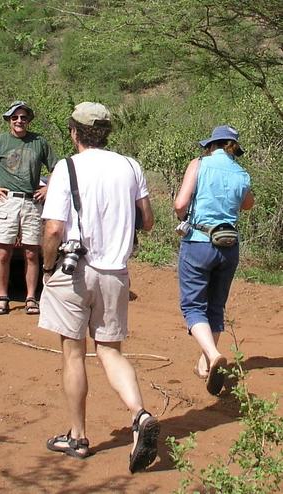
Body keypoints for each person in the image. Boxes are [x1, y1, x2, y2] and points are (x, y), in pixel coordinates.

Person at [39, 102, 159, 473]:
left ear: (74, 132)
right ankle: (139, 414)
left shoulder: (66, 168)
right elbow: (149, 221)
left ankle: (77, 436)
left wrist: (47, 266)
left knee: (73, 354)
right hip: (115, 273)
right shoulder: (130, 166)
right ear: (107, 132)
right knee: (109, 350)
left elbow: (54, 230)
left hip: (74, 270)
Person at [174, 125, 254, 395]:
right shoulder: (241, 173)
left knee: (193, 306)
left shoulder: (199, 164)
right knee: (216, 305)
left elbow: (179, 204)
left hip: (199, 241)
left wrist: (184, 217)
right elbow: (247, 204)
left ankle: (211, 353)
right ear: (233, 147)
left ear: (212, 144)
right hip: (229, 246)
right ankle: (205, 364)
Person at [0, 101, 57, 315]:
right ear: (9, 120)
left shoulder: (39, 142)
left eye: (23, 117)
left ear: (29, 120)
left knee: (31, 252)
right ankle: (2, 297)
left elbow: (57, 167)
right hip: (6, 202)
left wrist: (48, 189)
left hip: (32, 202)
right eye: (15, 117)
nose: (19, 121)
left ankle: (31, 298)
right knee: (3, 252)